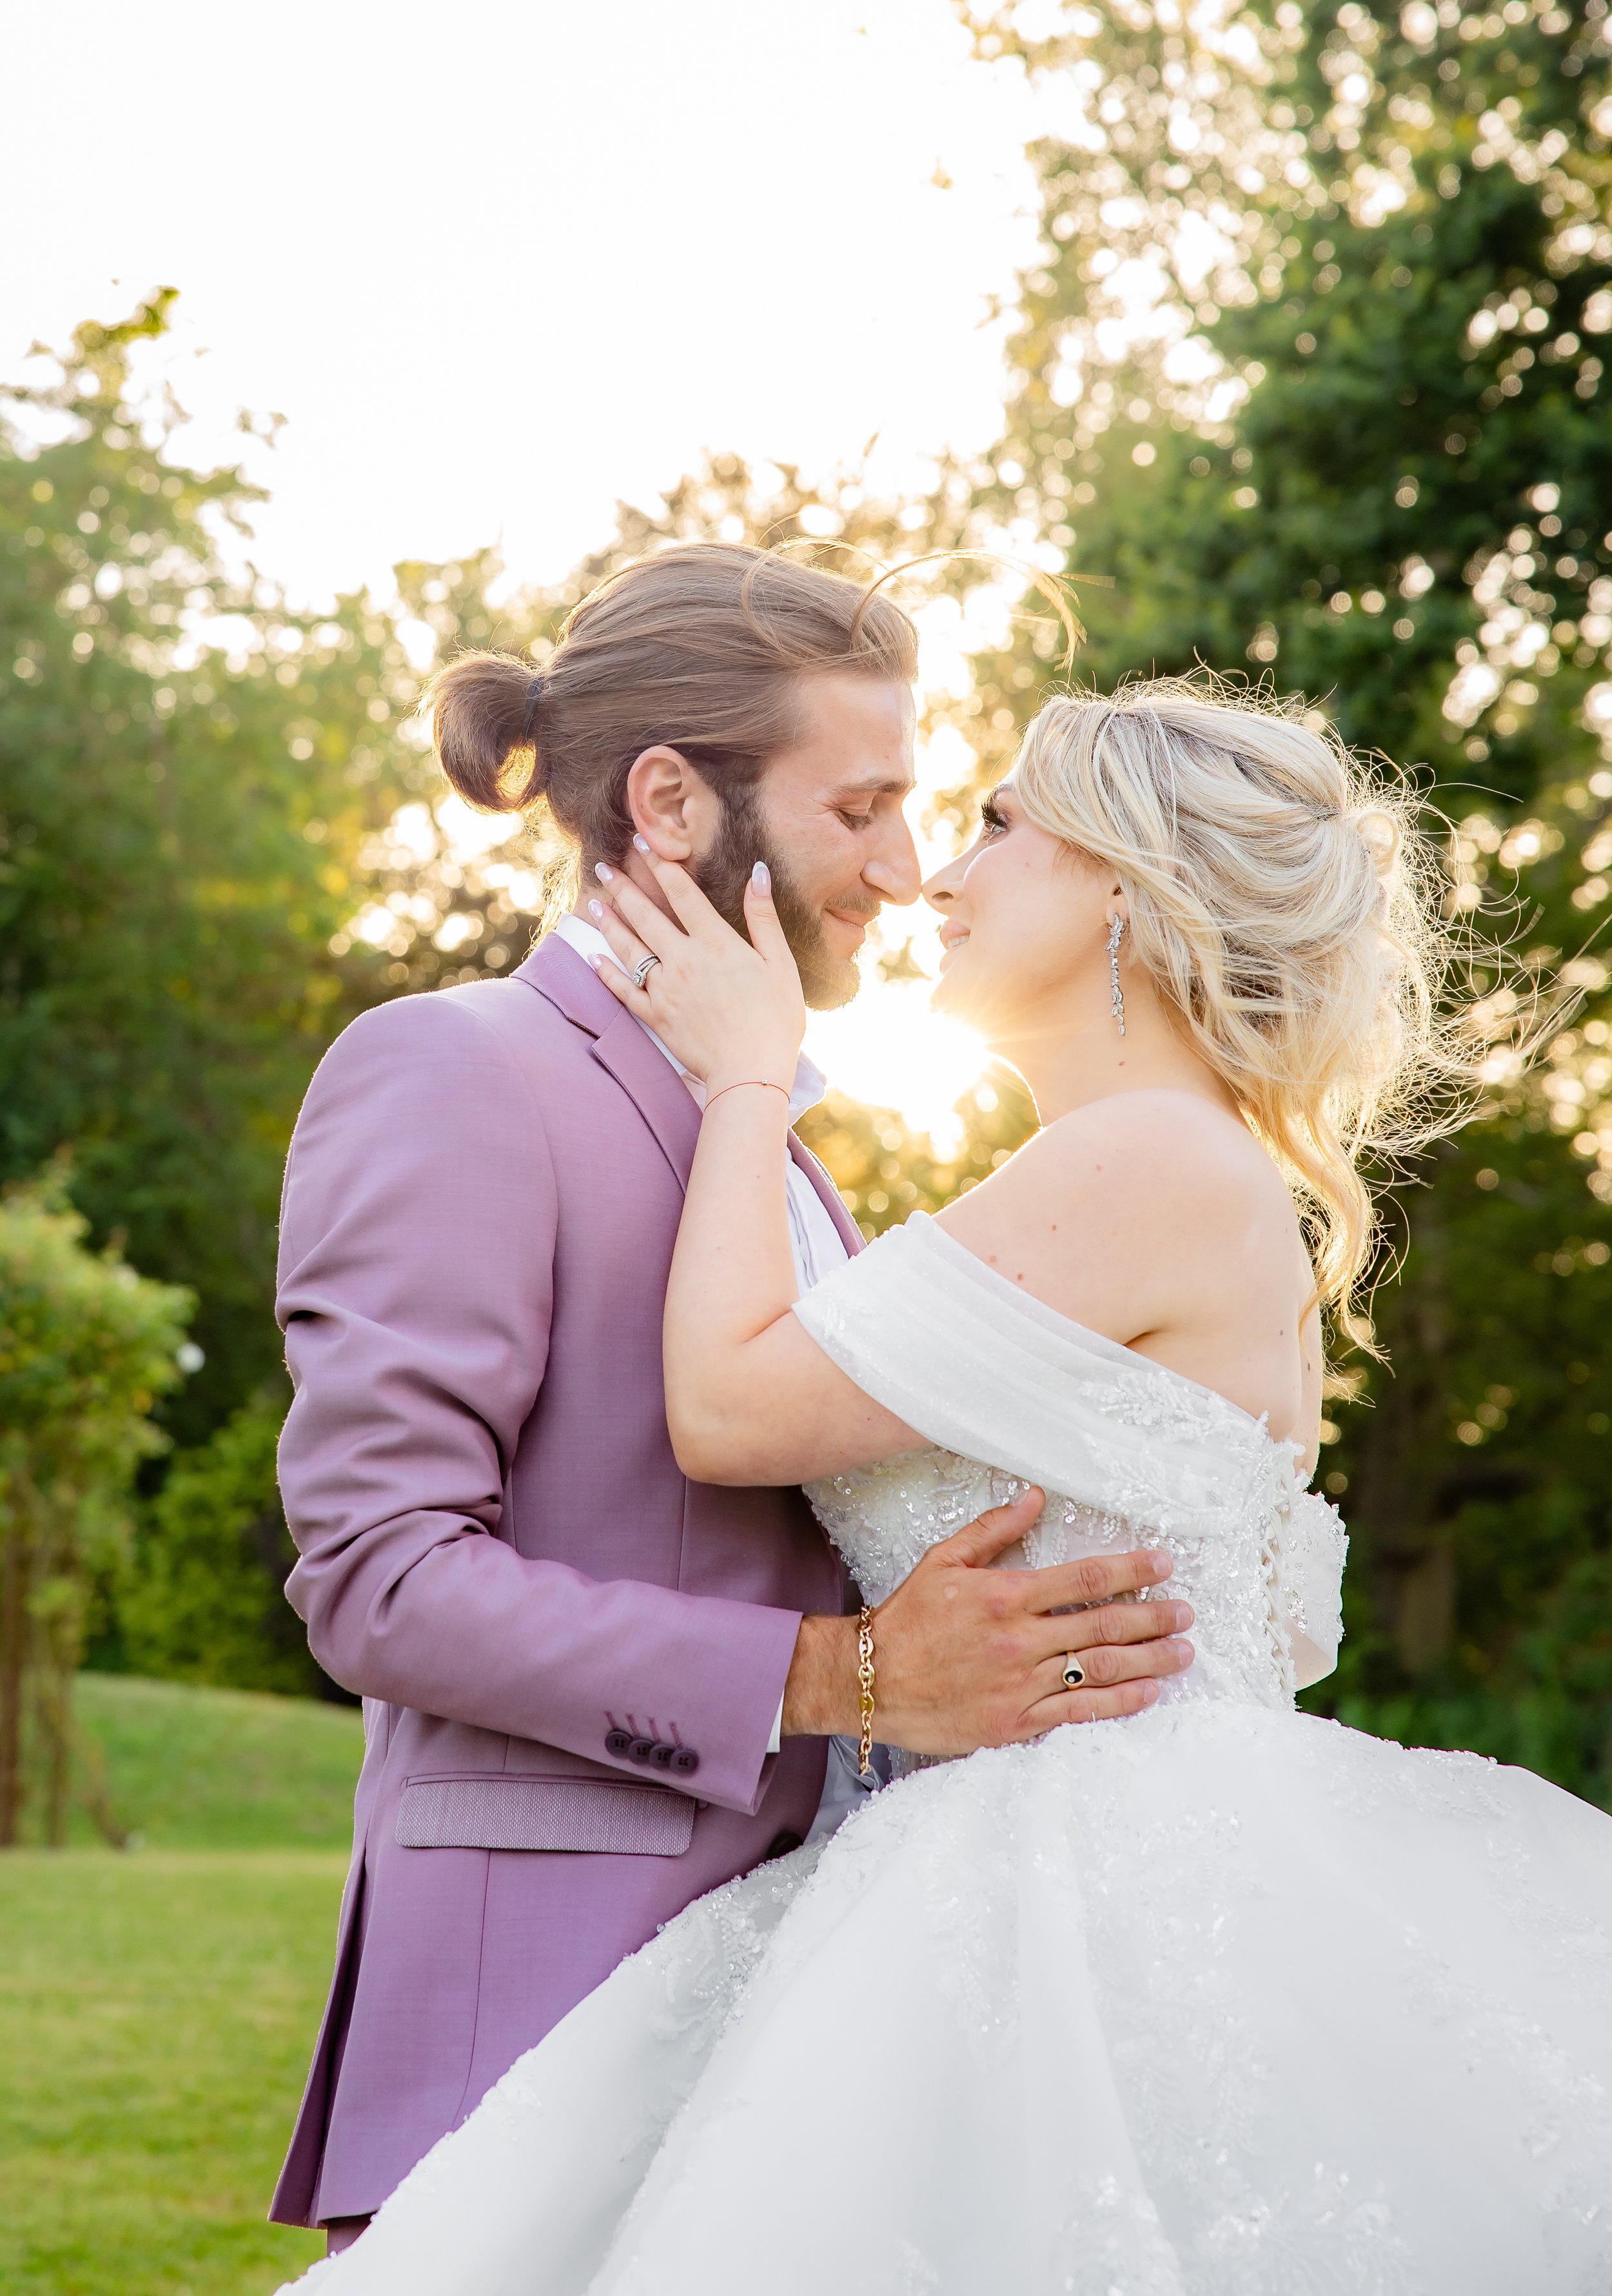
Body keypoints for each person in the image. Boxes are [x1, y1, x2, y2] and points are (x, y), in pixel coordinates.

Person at [283, 674, 1612, 2294]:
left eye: (990, 824)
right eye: (886, 814)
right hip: (984, 1872)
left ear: (1120, 885)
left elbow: (724, 1406)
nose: (934, 875)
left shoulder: (1145, 1162)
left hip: (1095, 1901)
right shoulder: (1095, 1178)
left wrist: (746, 1080)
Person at [268, 547, 1189, 2252]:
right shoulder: (454, 1070)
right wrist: (843, 1674)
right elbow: (375, 1575)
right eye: (863, 808)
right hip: (541, 2026)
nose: (905, 872)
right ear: (675, 803)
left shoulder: (781, 1148)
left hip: (794, 2028)